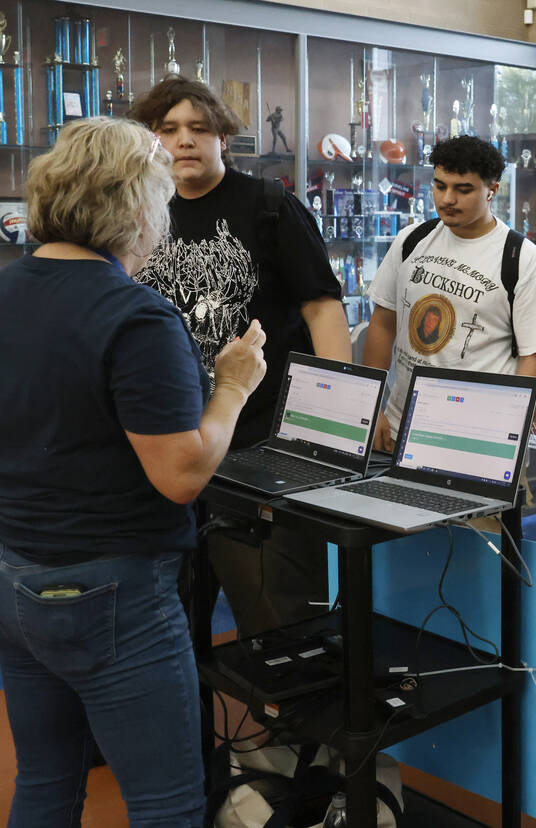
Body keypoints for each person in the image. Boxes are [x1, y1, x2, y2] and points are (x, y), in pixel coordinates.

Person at [0, 118, 266, 826]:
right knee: (168, 805)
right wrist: (234, 385)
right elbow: (181, 475)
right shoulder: (136, 315)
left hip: (15, 575)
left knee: (45, 782)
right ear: (138, 209)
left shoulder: (7, 290)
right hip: (113, 590)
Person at [129, 77, 350, 636]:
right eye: (170, 129)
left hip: (264, 443)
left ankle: (291, 718)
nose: (185, 141)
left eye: (199, 129)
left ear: (223, 137)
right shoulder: (138, 212)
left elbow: (323, 309)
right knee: (171, 621)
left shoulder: (269, 205)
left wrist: (340, 415)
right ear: (151, 138)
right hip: (170, 442)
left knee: (282, 616)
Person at [363, 135, 536, 453]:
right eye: (440, 185)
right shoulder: (411, 240)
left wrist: (508, 435)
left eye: (463, 189)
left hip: (476, 438)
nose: (447, 198)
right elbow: (383, 323)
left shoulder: (523, 260)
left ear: (492, 190)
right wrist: (370, 404)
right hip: (400, 428)